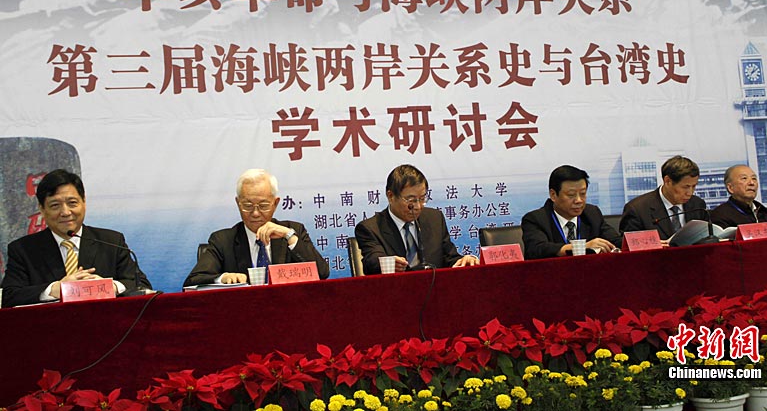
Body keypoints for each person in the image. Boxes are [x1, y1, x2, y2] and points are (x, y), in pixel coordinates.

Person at [1, 169, 151, 308]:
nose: (65, 212)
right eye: (55, 205)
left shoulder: (111, 241)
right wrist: (55, 289)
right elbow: (9, 296)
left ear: (83, 202)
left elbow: (142, 285)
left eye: (72, 203)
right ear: (42, 209)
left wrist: (109, 287)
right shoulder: (23, 249)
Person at [183, 169, 329, 286]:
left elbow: (322, 273)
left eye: (263, 206)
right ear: (238, 203)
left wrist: (289, 236)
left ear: (275, 203)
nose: (255, 213)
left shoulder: (293, 230)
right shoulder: (222, 240)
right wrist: (222, 278)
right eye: (248, 206)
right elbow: (192, 280)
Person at [355, 164, 478, 274]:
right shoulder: (371, 228)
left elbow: (449, 258)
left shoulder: (434, 219)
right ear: (391, 196)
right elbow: (372, 262)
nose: (418, 206)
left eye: (422, 198)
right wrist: (389, 263)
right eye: (411, 200)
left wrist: (464, 261)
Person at [522, 165, 621, 259]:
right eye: (571, 195)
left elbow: (617, 242)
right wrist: (582, 247)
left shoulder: (592, 214)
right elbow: (537, 249)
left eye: (583, 193)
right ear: (553, 195)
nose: (579, 200)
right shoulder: (535, 219)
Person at [619, 155, 707, 241]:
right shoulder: (637, 210)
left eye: (694, 186)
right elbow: (629, 246)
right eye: (685, 187)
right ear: (667, 181)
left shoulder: (698, 204)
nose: (690, 193)